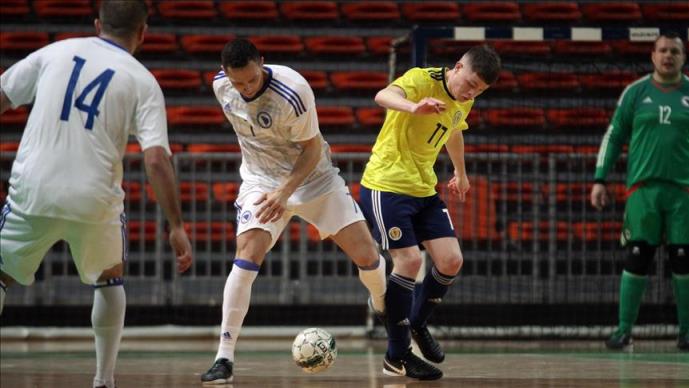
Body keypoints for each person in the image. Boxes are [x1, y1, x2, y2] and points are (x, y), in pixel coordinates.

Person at [0, 1, 194, 387]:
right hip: (95, 197)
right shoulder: (143, 81)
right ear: (143, 33)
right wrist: (176, 225)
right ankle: (104, 380)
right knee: (109, 279)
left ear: (97, 24)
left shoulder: (55, 51)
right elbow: (155, 160)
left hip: (33, 188)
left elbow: (3, 95)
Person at [200, 38, 387, 384]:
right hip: (260, 180)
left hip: (313, 178)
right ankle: (223, 357)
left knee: (368, 256)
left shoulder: (293, 91)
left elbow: (312, 148)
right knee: (247, 254)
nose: (245, 89)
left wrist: (285, 193)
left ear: (262, 63)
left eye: (251, 81)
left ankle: (382, 303)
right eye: (238, 82)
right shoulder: (221, 86)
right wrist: (271, 188)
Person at [359, 45, 501, 380]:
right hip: (387, 184)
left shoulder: (464, 98)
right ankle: (397, 355)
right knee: (409, 261)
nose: (471, 92)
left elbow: (453, 129)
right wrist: (414, 107)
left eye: (479, 90)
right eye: (470, 84)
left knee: (451, 260)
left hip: (424, 187)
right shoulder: (421, 80)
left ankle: (417, 321)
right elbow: (381, 95)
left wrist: (460, 172)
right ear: (457, 67)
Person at [590, 32, 689, 352]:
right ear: (652, 55)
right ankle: (624, 331)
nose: (668, 56)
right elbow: (614, 136)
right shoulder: (635, 92)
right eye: (662, 50)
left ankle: (687, 333)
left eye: (674, 51)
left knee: (684, 260)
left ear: (683, 57)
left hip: (684, 192)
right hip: (643, 191)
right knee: (636, 257)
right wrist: (600, 179)